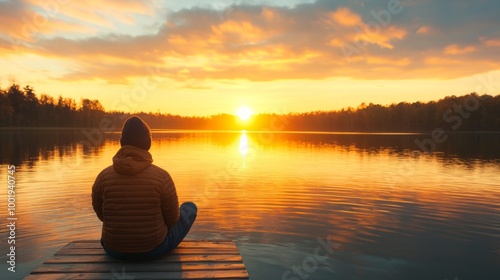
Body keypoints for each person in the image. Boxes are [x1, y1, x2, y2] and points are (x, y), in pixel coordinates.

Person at [91, 116, 197, 260]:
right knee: (189, 208)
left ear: (121, 143)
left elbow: (102, 215)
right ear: (149, 144)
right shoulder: (162, 177)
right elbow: (173, 220)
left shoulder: (103, 177)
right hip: (154, 249)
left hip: (113, 249)